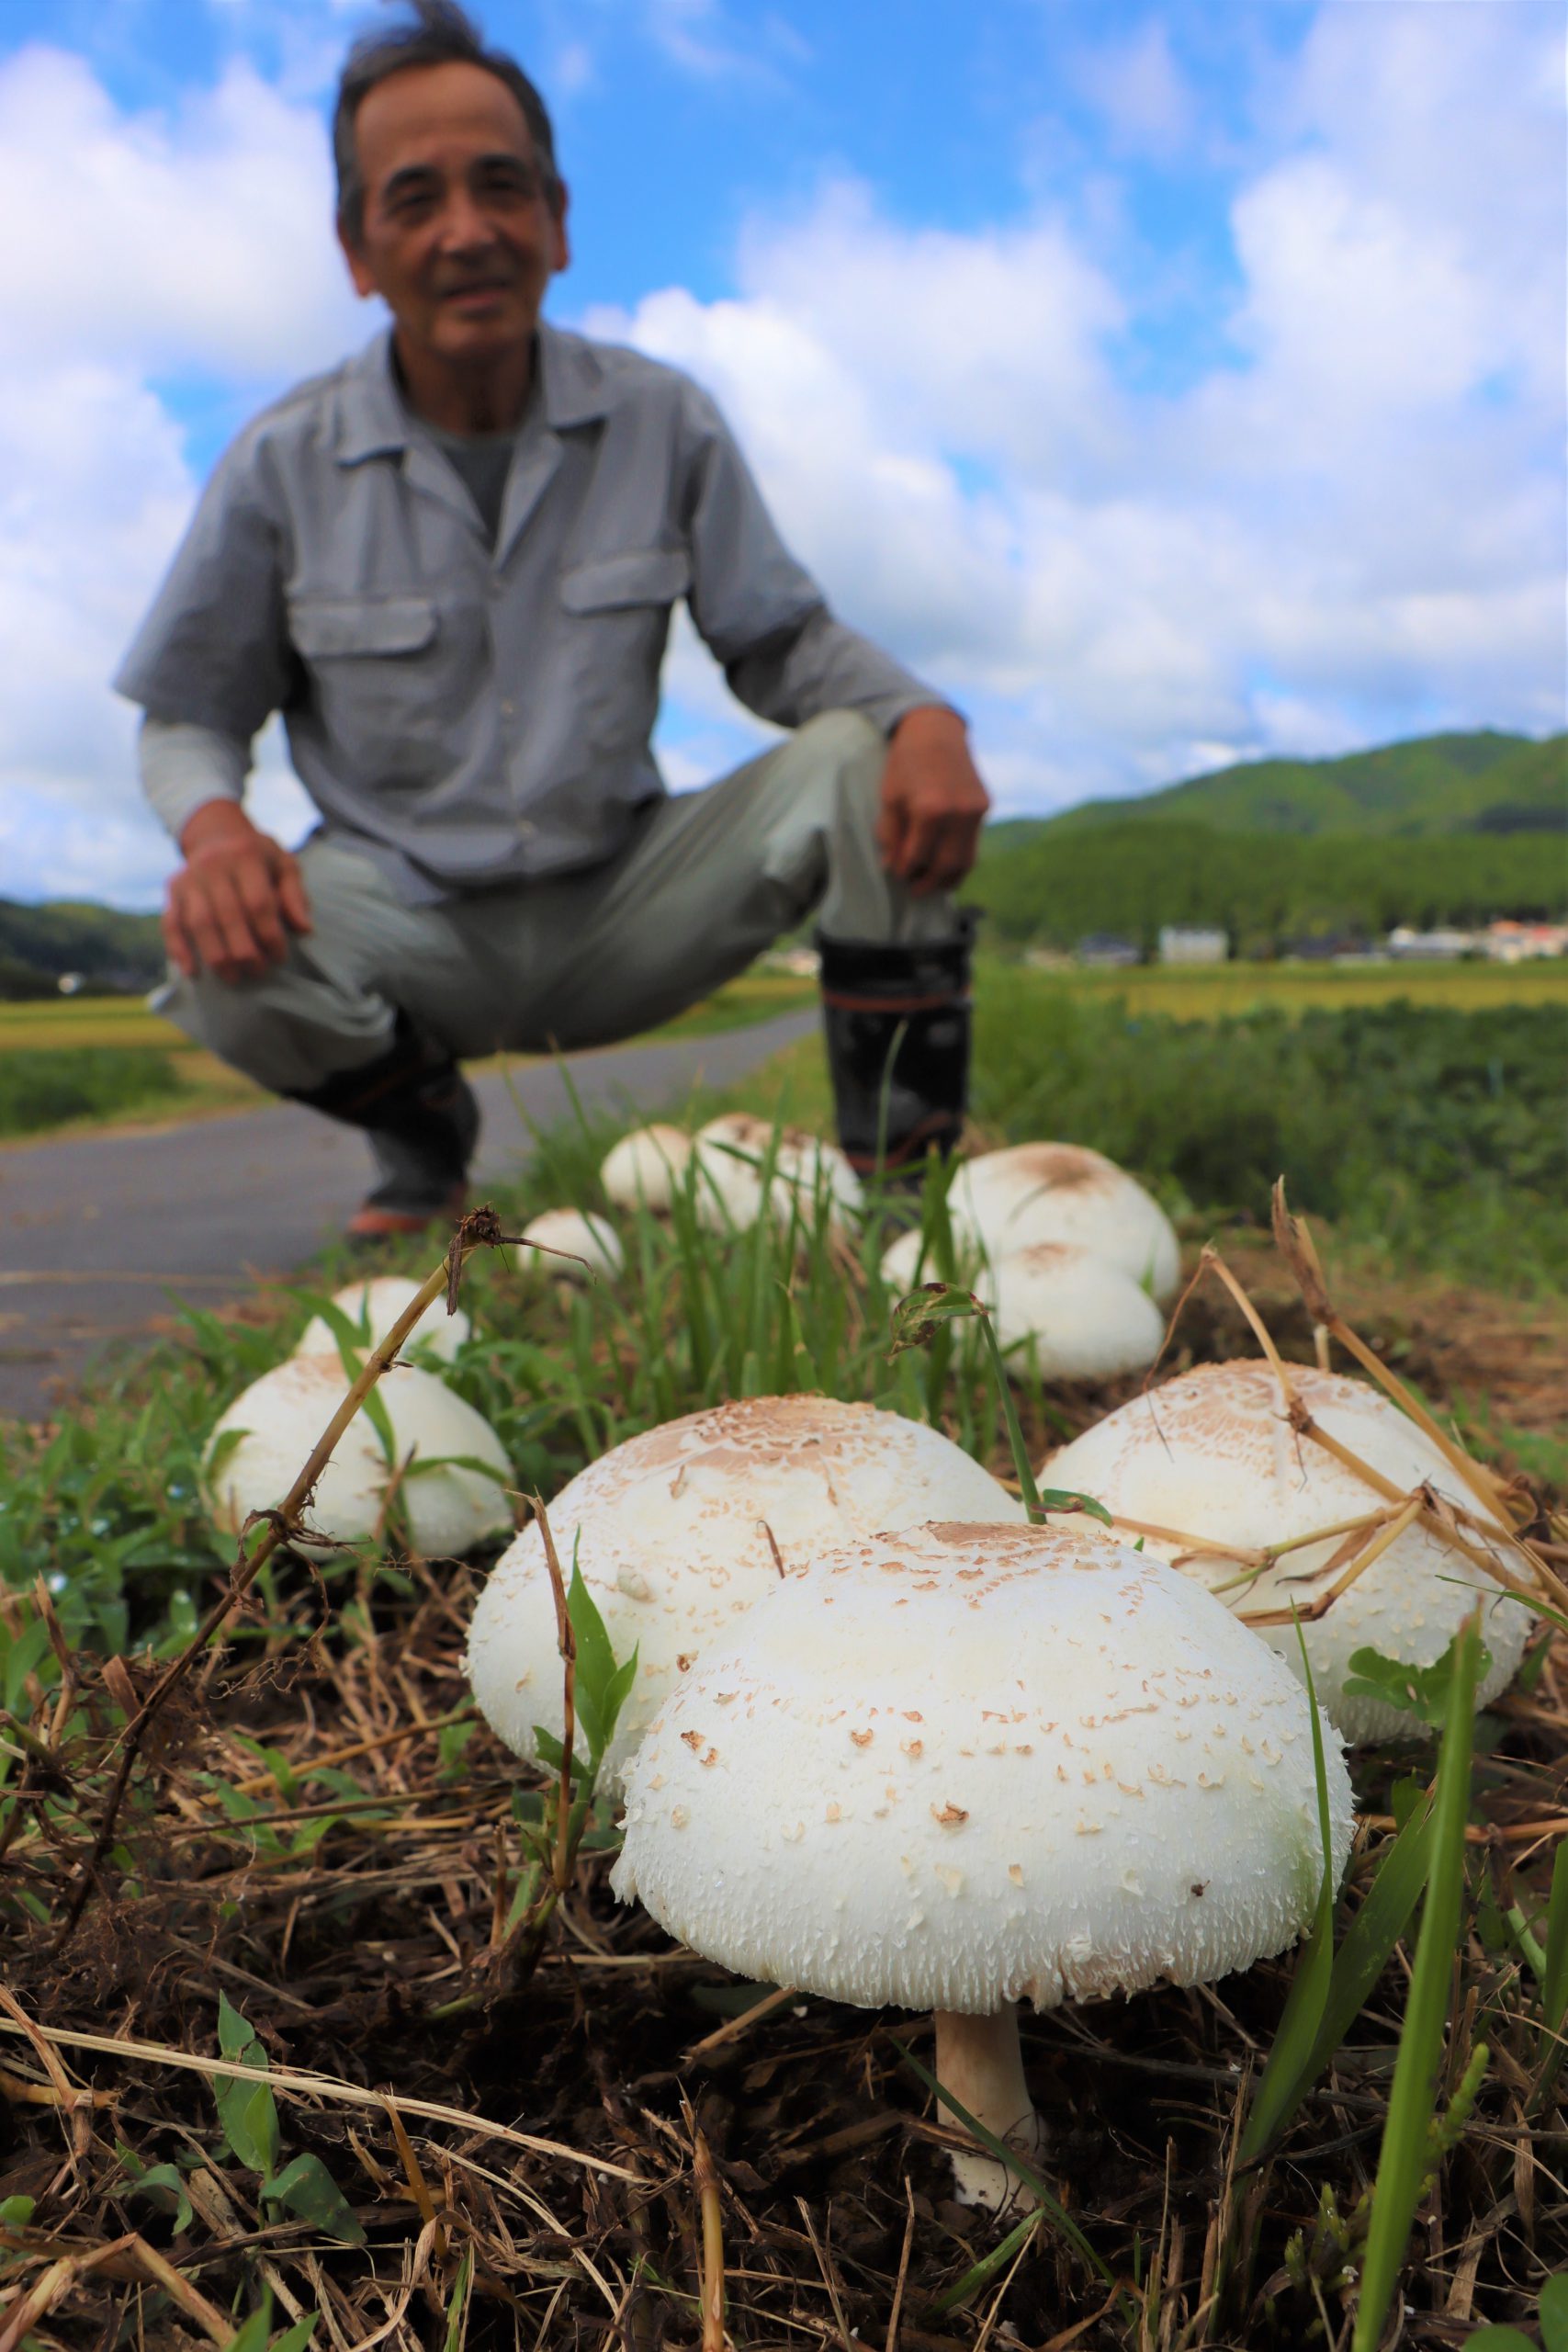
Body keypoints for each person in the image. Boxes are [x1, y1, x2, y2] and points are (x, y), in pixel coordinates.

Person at [117, 0, 990, 1238]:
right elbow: (188, 715)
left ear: (559, 221)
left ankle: (909, 1212)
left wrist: (925, 713)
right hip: (407, 922)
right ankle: (427, 1148)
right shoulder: (280, 464)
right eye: (414, 199)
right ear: (358, 250)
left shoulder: (662, 420)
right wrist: (214, 832)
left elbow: (780, 643)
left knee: (865, 754)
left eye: (502, 187)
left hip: (625, 901)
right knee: (225, 946)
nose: (467, 231)